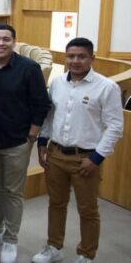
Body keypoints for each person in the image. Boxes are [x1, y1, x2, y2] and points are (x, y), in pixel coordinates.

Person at [32, 38, 124, 263]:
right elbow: (50, 115)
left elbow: (115, 126)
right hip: (56, 154)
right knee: (56, 204)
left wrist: (97, 157)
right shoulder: (57, 83)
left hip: (86, 158)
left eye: (81, 56)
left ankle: (86, 254)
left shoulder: (106, 87)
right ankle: (54, 246)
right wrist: (43, 142)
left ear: (92, 58)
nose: (75, 61)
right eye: (71, 56)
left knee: (88, 210)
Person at [0, 25, 51, 263]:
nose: (1, 43)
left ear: (14, 42)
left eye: (6, 39)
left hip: (17, 142)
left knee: (13, 192)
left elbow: (42, 104)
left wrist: (31, 137)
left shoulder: (29, 68)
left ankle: (10, 239)